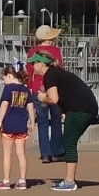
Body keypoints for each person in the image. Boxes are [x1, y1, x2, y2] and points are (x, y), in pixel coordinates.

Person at [32, 52, 98, 192]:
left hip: (81, 108)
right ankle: (69, 180)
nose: (32, 66)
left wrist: (43, 98)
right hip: (82, 107)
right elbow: (63, 96)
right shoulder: (54, 73)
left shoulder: (50, 75)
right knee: (69, 141)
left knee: (69, 142)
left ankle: (69, 181)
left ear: (41, 64)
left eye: (34, 63)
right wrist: (63, 113)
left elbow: (54, 99)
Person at [29, 27, 66, 165]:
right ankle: (57, 151)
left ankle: (45, 153)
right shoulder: (56, 51)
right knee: (56, 119)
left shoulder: (32, 51)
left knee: (42, 122)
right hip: (53, 88)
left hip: (36, 89)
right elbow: (59, 69)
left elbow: (28, 72)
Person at [0, 63, 35, 189]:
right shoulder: (26, 89)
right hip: (21, 125)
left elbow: (4, 105)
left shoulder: (8, 89)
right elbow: (30, 108)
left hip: (8, 125)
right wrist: (32, 123)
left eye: (4, 78)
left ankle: (6, 181)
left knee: (7, 154)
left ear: (10, 75)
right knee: (21, 154)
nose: (3, 81)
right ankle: (22, 180)